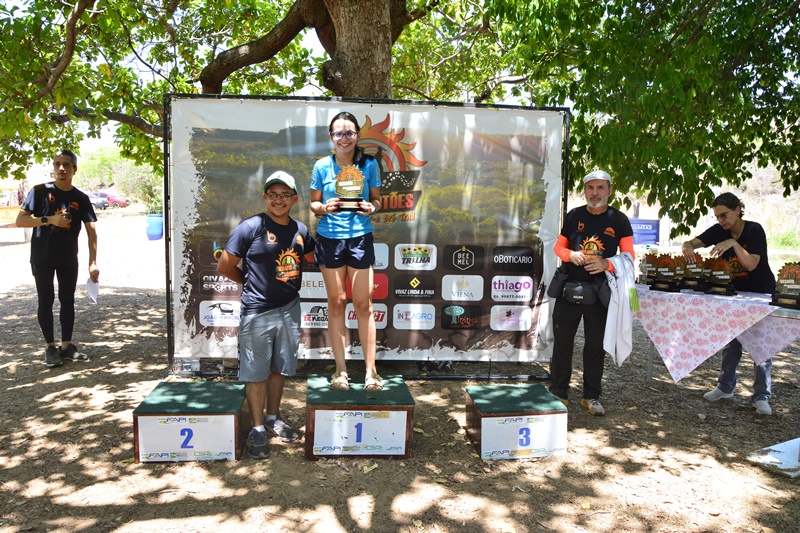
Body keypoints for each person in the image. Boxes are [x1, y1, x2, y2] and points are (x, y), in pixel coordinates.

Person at [217, 171, 315, 459]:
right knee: (255, 372)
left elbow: (315, 257)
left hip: (289, 309)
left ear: (295, 199)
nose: (279, 200)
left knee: (279, 368)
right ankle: (257, 429)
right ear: (265, 197)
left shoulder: (301, 230)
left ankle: (273, 417)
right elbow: (225, 265)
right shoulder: (250, 227)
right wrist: (249, 284)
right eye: (273, 194)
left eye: (286, 195)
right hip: (257, 312)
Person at [681, 192, 776, 415]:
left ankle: (761, 396)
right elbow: (693, 242)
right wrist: (687, 245)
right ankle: (725, 387)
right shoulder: (719, 230)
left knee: (759, 346)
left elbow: (751, 264)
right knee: (731, 342)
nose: (721, 220)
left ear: (737, 210)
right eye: (717, 217)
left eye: (724, 215)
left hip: (760, 293)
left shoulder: (754, 230)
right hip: (733, 293)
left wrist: (733, 243)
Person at [549, 170, 634, 416]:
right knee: (562, 344)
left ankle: (591, 396)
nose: (595, 193)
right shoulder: (573, 215)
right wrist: (569, 255)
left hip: (601, 294)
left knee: (595, 346)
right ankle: (558, 392)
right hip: (569, 289)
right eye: (590, 188)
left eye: (600, 188)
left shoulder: (619, 219)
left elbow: (629, 255)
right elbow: (559, 246)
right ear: (584, 190)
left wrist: (606, 264)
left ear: (609, 191)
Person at [309, 111, 383, 392]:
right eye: (338, 133)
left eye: (349, 133)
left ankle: (371, 373)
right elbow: (314, 204)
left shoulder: (370, 164)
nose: (344, 138)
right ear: (331, 137)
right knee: (337, 302)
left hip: (360, 238)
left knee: (364, 306)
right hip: (329, 239)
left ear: (357, 136)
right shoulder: (321, 166)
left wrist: (371, 207)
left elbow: (376, 200)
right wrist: (324, 208)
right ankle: (340, 371)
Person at [16, 149, 99, 368]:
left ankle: (66, 347)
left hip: (68, 258)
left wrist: (93, 262)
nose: (61, 168)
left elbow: (91, 231)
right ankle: (50, 348)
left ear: (74, 169)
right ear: (53, 167)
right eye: (57, 164)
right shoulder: (39, 191)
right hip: (42, 257)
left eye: (66, 164)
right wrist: (48, 219)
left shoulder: (80, 198)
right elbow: (21, 220)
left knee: (67, 300)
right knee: (45, 300)